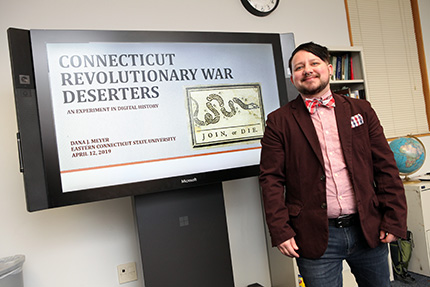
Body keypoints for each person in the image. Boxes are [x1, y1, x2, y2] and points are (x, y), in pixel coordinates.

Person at [259, 42, 407, 287]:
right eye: (299, 67)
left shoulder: (361, 110)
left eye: (314, 63)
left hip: (367, 227)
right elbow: (271, 180)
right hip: (313, 234)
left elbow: (385, 167)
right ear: (292, 77)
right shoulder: (279, 121)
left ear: (328, 68)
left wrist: (394, 218)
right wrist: (280, 231)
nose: (307, 70)